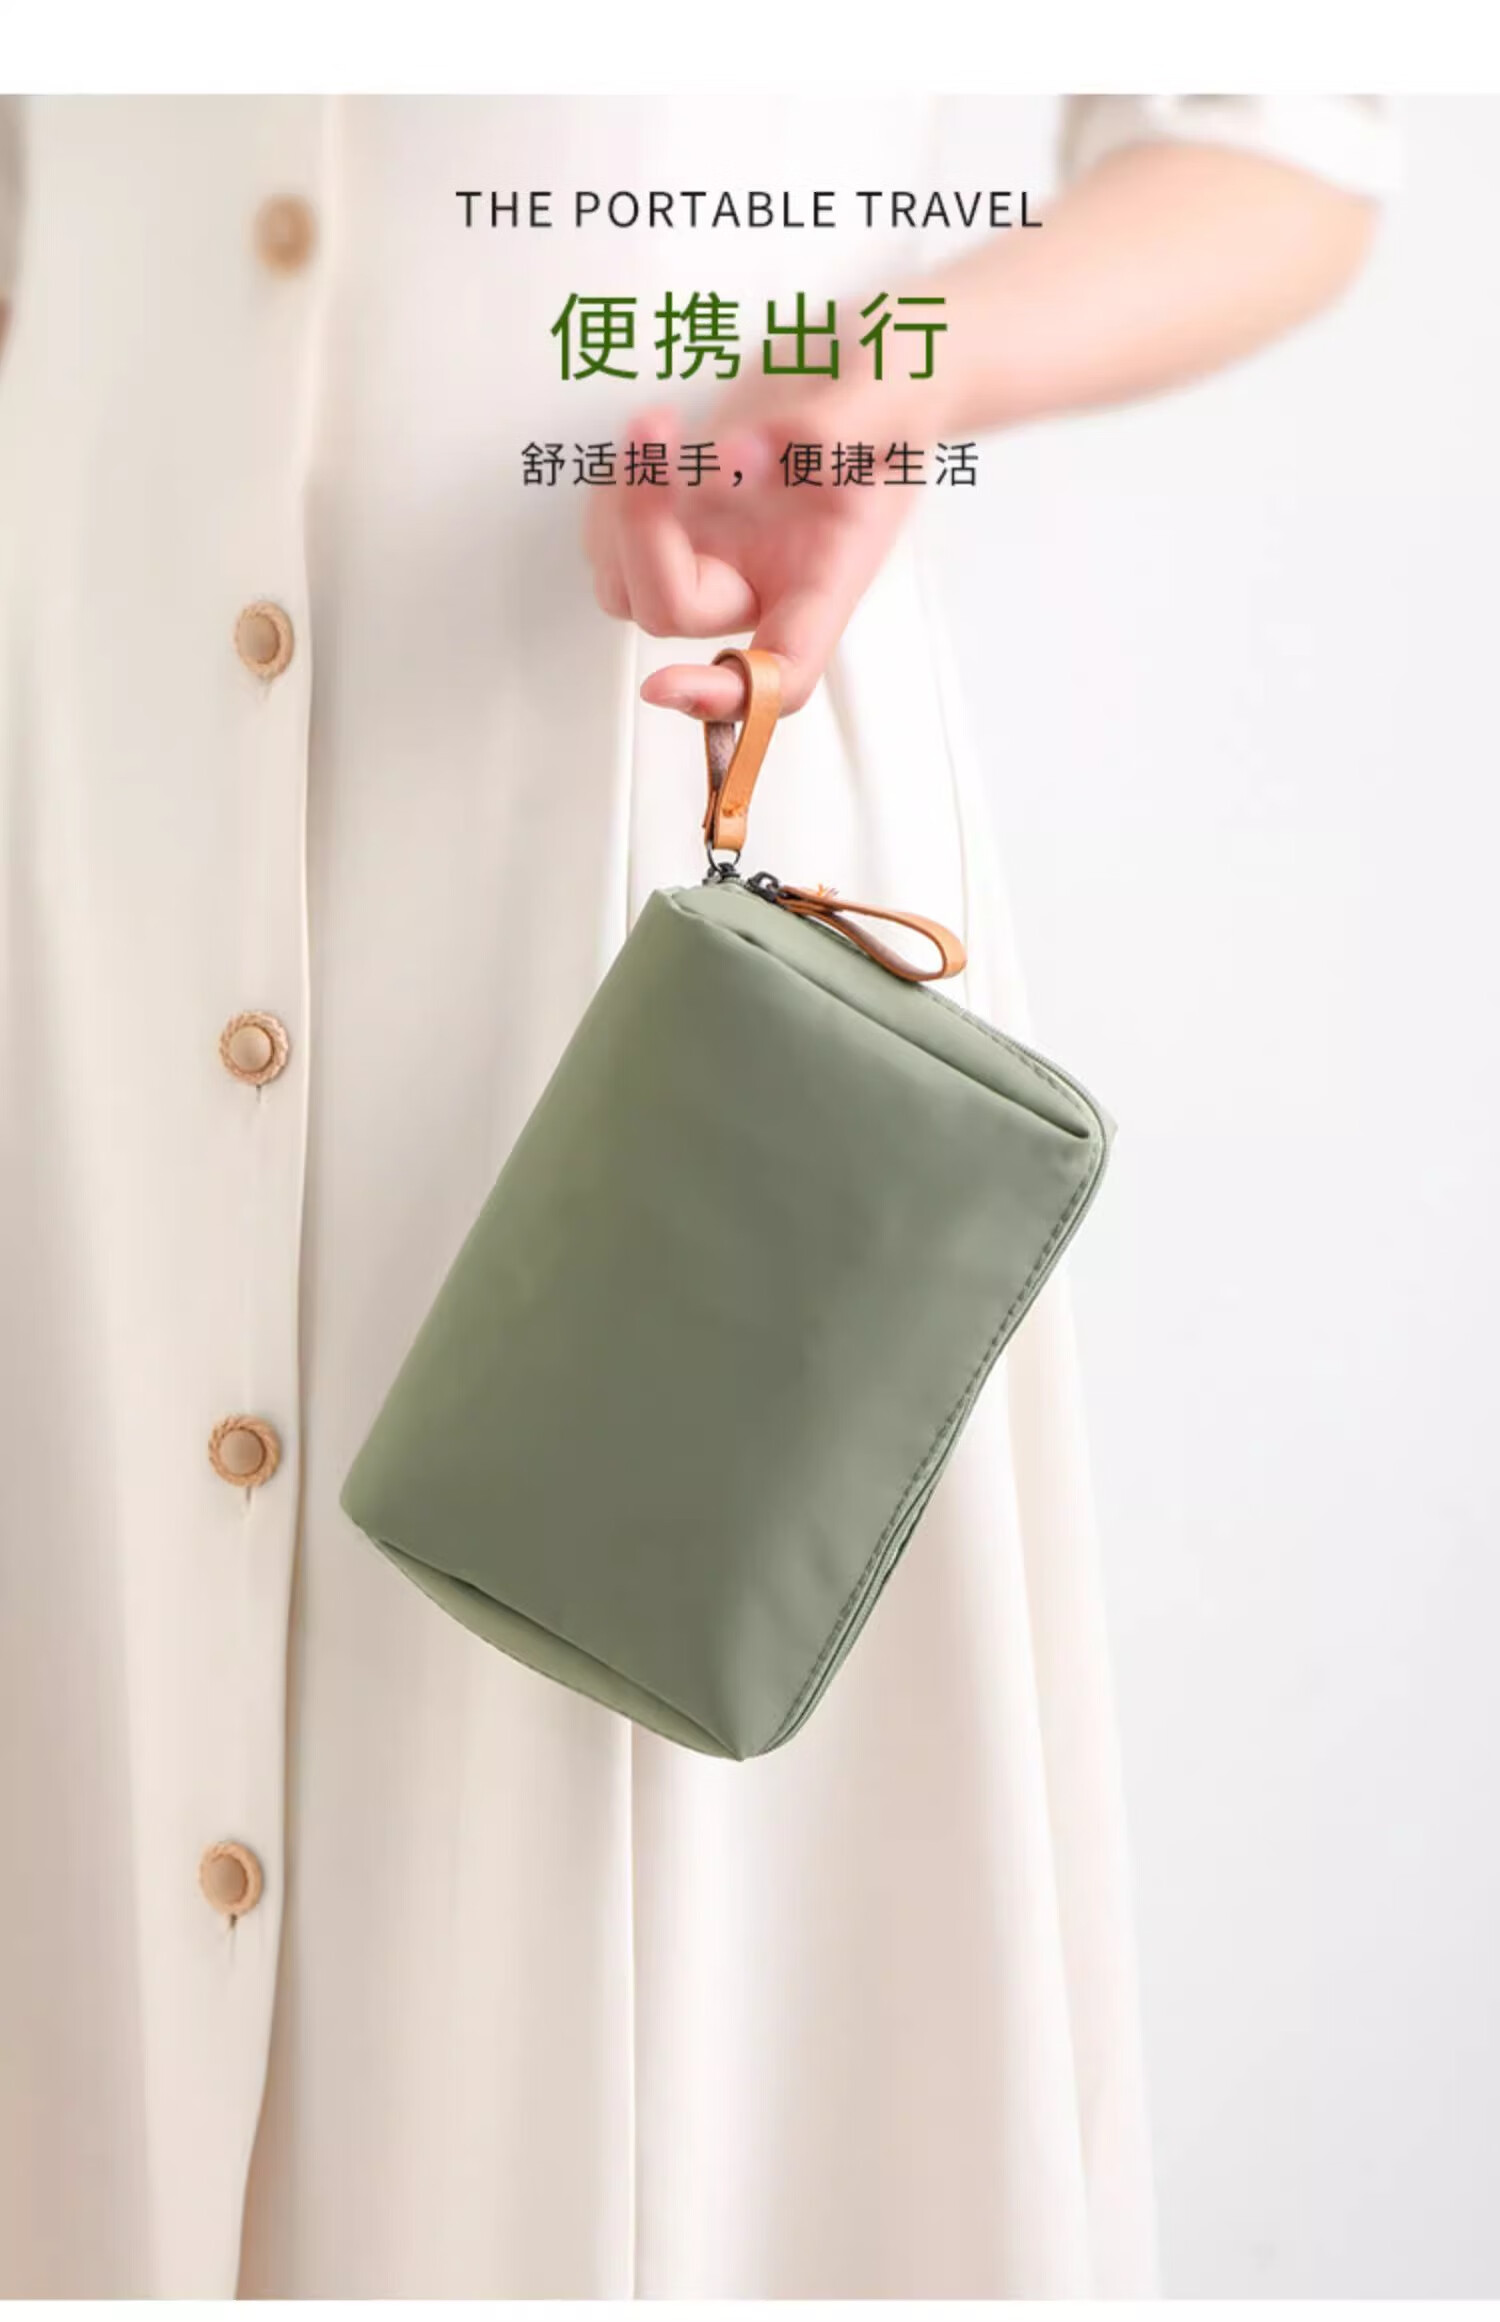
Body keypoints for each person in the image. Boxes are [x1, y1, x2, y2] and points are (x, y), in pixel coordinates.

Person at [0, 94, 1393, 2298]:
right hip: (74, 831)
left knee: (602, 1828)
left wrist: (891, 377)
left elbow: (1279, 134)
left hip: (656, 829)